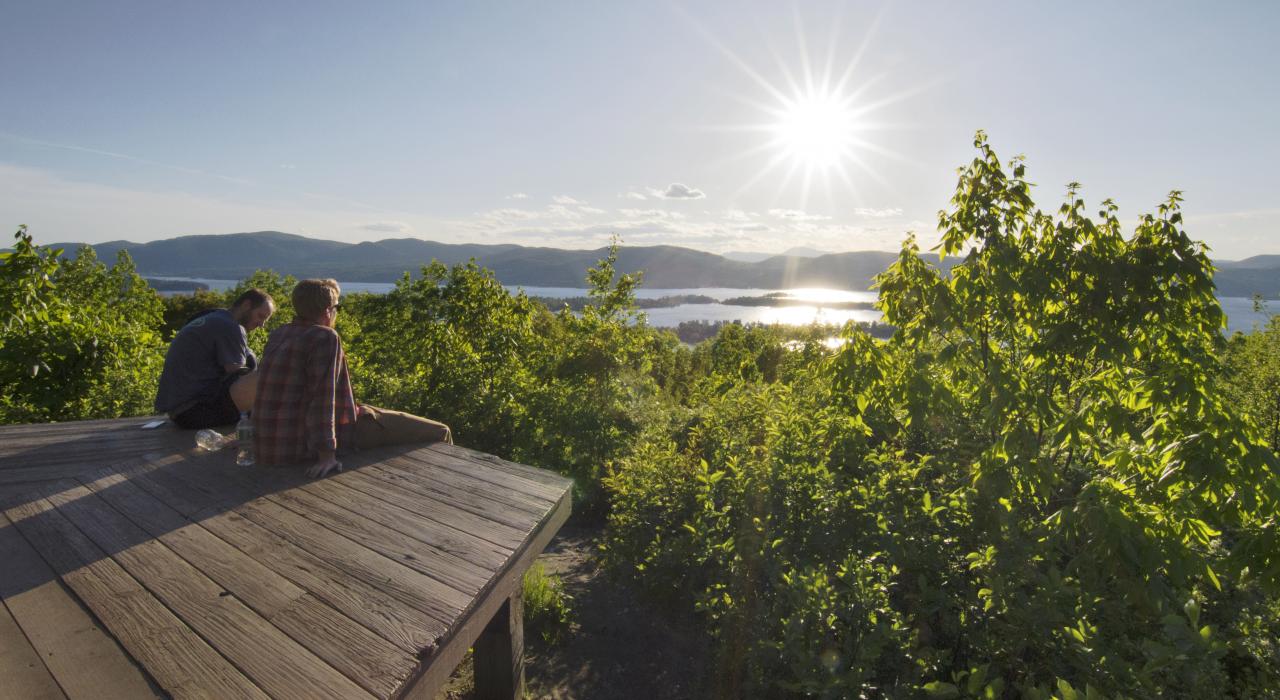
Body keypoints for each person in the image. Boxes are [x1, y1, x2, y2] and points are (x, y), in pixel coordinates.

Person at [253, 278, 451, 477]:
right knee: (441, 431)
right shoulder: (325, 337)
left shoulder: (280, 333)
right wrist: (327, 455)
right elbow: (323, 398)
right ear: (327, 311)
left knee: (371, 411)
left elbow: (267, 389)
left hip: (273, 444)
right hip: (306, 442)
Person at [155, 289, 275, 429]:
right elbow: (239, 378)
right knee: (263, 373)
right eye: (260, 316)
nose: (261, 324)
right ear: (246, 305)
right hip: (195, 412)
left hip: (178, 411)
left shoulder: (213, 318)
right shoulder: (230, 327)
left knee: (249, 359)